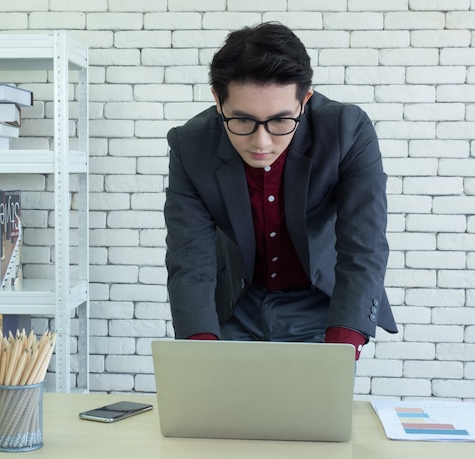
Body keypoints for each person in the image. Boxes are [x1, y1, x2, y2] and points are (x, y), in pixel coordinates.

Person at [164, 22, 397, 360]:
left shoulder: (347, 130)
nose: (261, 142)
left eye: (280, 121)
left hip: (322, 306)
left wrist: (343, 343)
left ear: (305, 100)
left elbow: (364, 245)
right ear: (218, 100)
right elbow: (189, 257)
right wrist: (200, 350)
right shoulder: (190, 145)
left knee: (312, 412)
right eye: (242, 120)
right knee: (220, 412)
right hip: (235, 306)